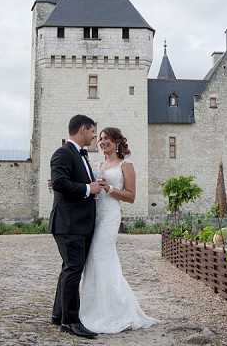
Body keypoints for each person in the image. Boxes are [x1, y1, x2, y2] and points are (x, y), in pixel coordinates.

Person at [78, 127, 158, 333]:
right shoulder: (99, 164)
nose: (102, 141)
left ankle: (115, 311)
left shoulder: (126, 164)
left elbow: (131, 196)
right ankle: (95, 308)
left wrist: (110, 189)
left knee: (101, 256)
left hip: (110, 216)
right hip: (95, 215)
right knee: (93, 260)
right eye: (101, 138)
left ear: (116, 142)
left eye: (107, 139)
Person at [49, 114, 102, 339]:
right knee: (73, 270)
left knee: (68, 269)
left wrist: (94, 187)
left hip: (78, 223)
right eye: (92, 131)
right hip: (69, 223)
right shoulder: (63, 153)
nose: (93, 136)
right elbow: (59, 183)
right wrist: (89, 189)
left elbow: (79, 183)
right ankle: (70, 321)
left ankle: (58, 314)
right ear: (82, 129)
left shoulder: (81, 156)